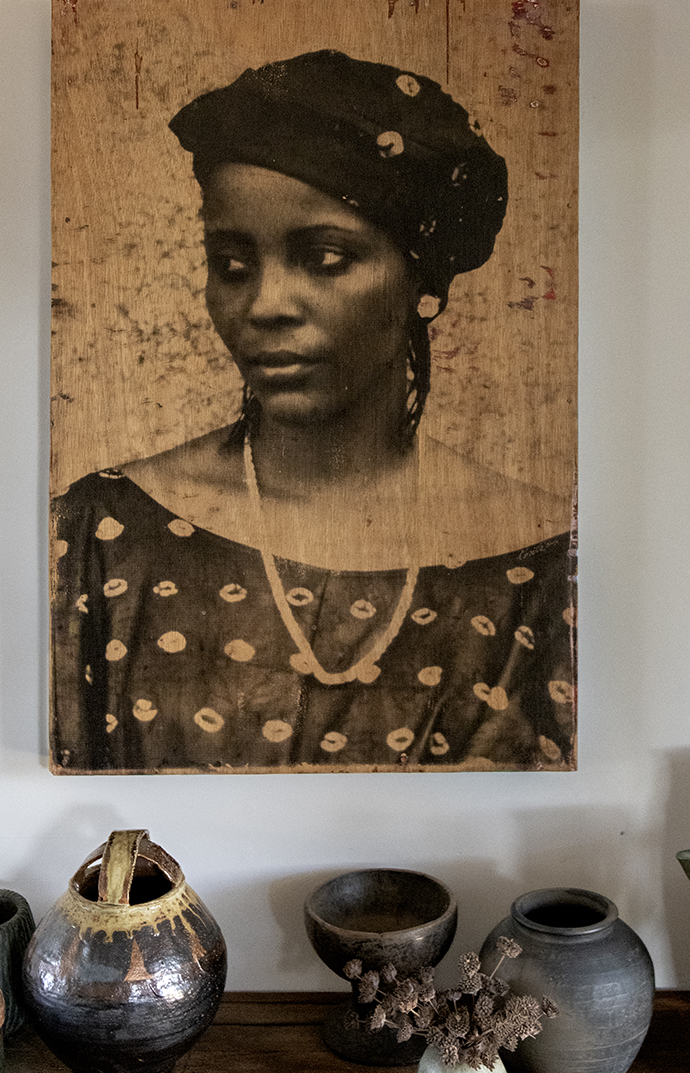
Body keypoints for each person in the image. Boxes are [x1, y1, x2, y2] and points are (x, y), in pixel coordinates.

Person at [50, 50, 575, 773]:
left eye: (326, 259)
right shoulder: (101, 531)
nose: (265, 306)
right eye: (233, 264)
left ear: (419, 279)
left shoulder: (542, 564)